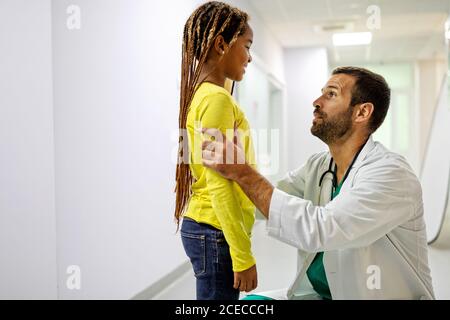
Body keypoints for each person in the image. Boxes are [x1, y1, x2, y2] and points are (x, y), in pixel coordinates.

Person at [200, 67, 435, 300]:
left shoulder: (391, 174)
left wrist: (243, 173)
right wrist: (211, 187)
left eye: (331, 94)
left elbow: (323, 228)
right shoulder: (320, 165)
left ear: (362, 112)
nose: (316, 101)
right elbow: (269, 200)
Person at [174, 1, 257, 300]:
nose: (249, 57)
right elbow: (219, 181)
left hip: (208, 228)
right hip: (214, 231)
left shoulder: (206, 95)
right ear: (221, 44)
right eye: (247, 45)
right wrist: (243, 255)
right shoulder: (216, 100)